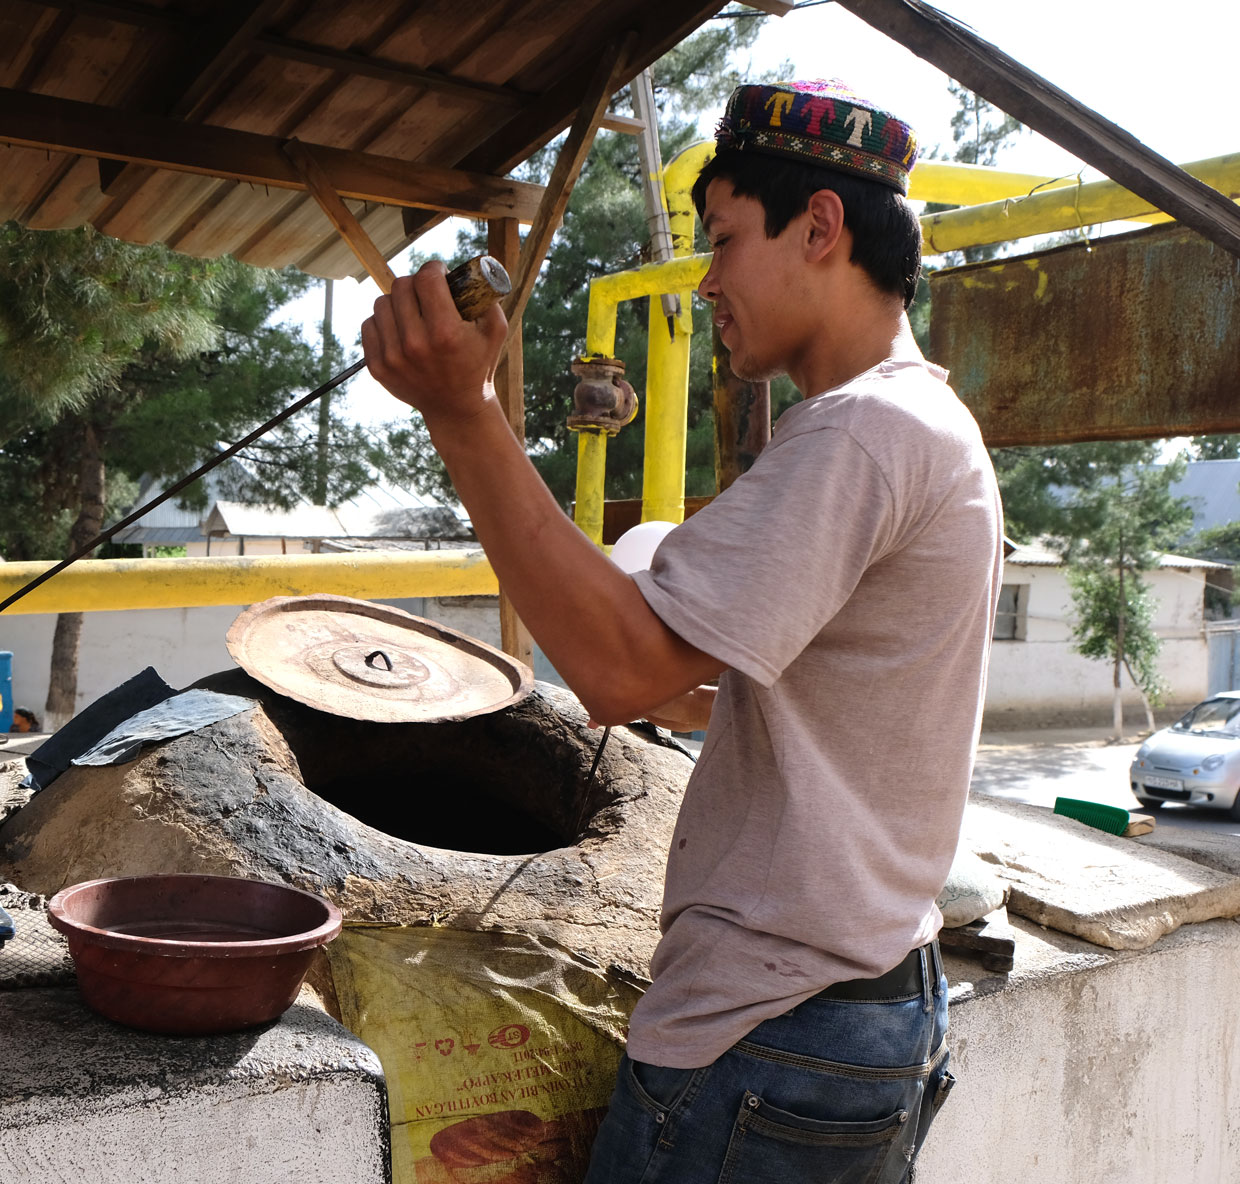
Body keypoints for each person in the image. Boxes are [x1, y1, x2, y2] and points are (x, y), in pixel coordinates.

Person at [361, 77, 1000, 1184]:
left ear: (820, 227)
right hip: (861, 1012)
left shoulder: (859, 433)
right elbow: (715, 691)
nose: (708, 280)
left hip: (775, 1031)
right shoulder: (927, 424)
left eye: (725, 239)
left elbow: (617, 670)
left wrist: (462, 413)